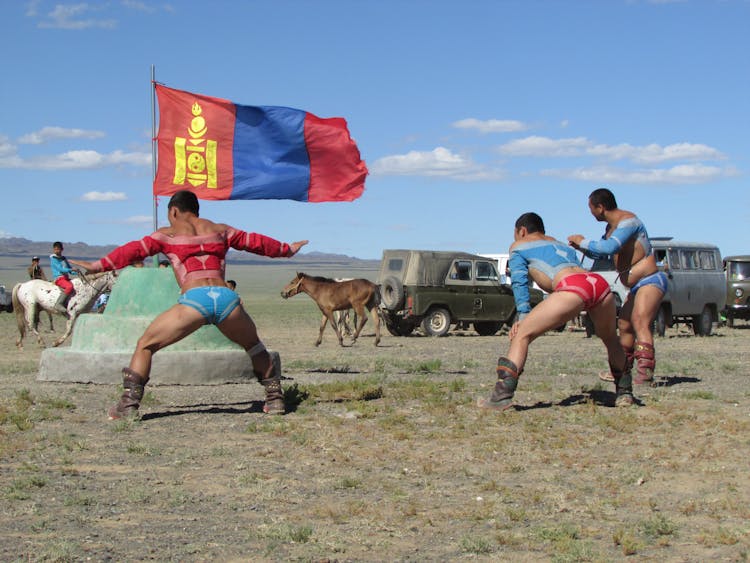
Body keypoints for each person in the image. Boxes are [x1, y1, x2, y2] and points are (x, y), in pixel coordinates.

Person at [70, 190, 308, 420]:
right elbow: (256, 242)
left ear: (174, 211)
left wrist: (98, 266)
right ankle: (275, 399)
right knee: (254, 346)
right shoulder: (222, 230)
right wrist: (287, 249)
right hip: (226, 299)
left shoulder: (167, 234)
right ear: (195, 210)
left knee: (146, 345)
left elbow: (133, 251)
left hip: (195, 299)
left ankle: (127, 405)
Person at [477, 212, 630, 411]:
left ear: (521, 231)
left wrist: (523, 316)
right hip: (597, 284)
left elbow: (519, 282)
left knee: (522, 335)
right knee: (610, 338)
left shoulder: (519, 246)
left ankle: (500, 398)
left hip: (571, 288)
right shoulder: (559, 244)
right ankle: (625, 393)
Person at [568, 188, 668, 386]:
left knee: (640, 321)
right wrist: (581, 248)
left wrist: (583, 241)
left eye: (591, 208)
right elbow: (603, 254)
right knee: (624, 324)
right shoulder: (612, 229)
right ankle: (622, 370)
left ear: (600, 207)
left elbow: (609, 248)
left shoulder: (629, 223)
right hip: (636, 285)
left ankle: (645, 372)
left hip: (650, 280)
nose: (590, 213)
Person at [50, 242, 77, 314]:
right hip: (59, 278)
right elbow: (60, 269)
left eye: (58, 249)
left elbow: (69, 269)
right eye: (55, 249)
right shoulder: (53, 259)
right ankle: (58, 304)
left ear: (62, 249)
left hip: (66, 278)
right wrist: (70, 270)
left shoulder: (63, 258)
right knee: (69, 286)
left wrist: (76, 272)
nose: (56, 251)